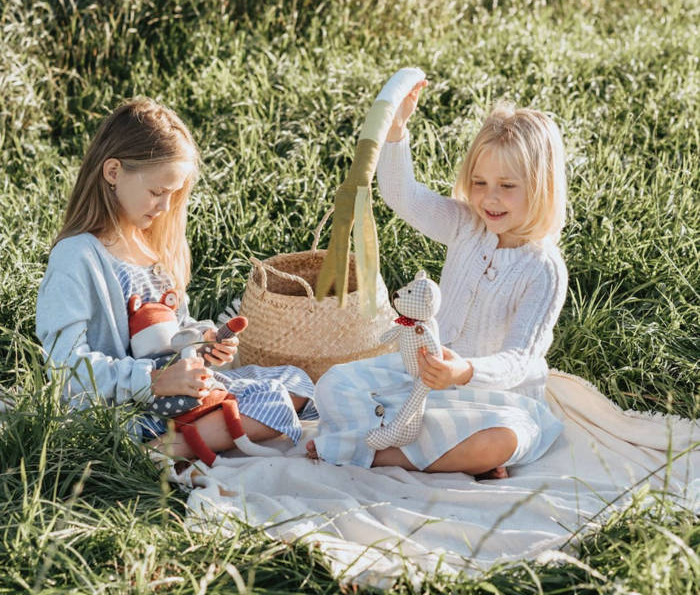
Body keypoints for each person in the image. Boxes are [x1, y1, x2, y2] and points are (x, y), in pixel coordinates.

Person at [307, 84, 568, 479]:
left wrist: (465, 372)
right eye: (479, 183)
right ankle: (439, 452)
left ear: (542, 186)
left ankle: (380, 455)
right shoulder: (467, 225)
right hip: (426, 377)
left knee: (502, 440)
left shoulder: (543, 269)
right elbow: (404, 197)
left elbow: (520, 360)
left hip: (496, 398)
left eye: (507, 187)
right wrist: (396, 131)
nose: (489, 199)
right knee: (334, 383)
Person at [36, 97, 316, 462]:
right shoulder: (77, 256)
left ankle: (200, 430)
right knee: (274, 402)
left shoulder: (151, 250)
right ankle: (163, 451)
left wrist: (203, 343)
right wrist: (152, 382)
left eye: (174, 195)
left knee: (297, 381)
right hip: (126, 408)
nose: (165, 207)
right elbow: (63, 367)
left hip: (174, 393)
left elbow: (175, 331)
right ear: (112, 172)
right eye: (157, 192)